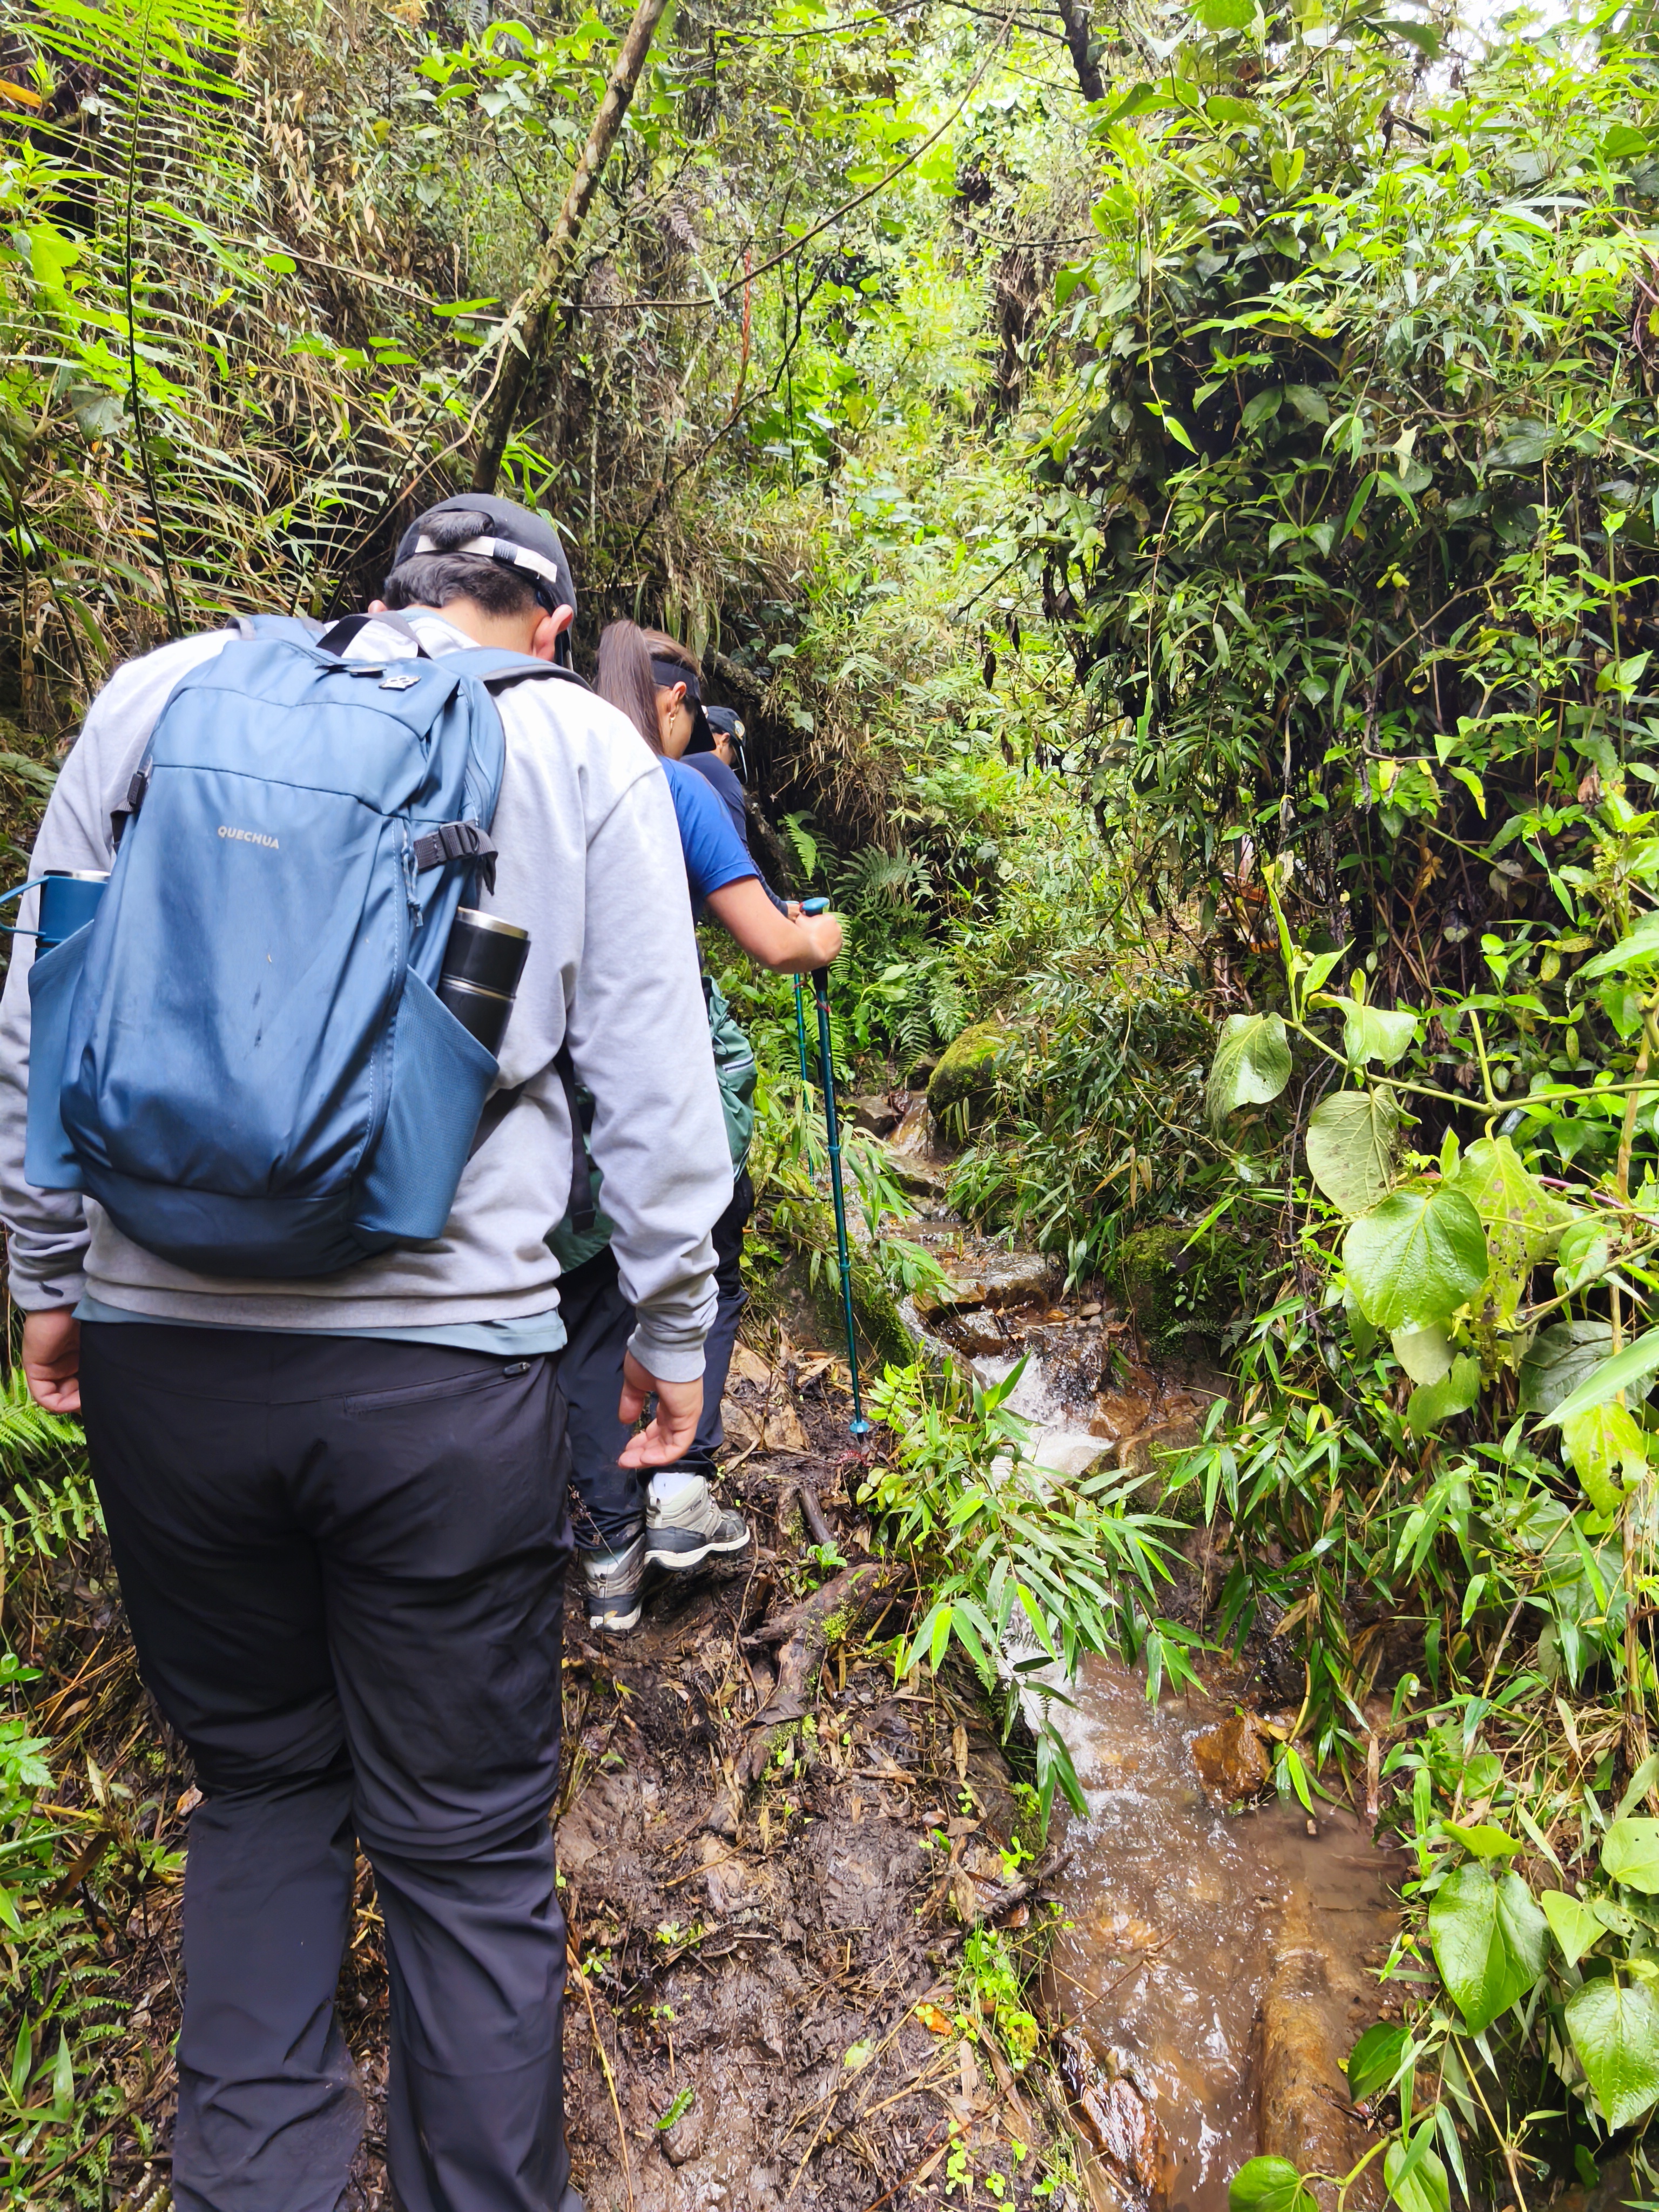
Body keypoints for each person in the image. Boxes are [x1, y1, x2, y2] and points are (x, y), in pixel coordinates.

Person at [0, 497, 734, 2212]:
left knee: (259, 1789)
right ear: (548, 626)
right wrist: (674, 1335)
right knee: (466, 1851)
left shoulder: (162, 696)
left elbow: (42, 1004)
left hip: (165, 1364)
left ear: (392, 592)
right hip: (441, 1380)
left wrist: (47, 1276)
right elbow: (653, 1087)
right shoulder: (571, 748)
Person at [559, 621, 842, 1633]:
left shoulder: (548, 775)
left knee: (593, 1305)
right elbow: (772, 940)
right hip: (657, 1068)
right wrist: (825, 933)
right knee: (702, 1263)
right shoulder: (668, 789)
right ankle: (680, 1490)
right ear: (671, 702)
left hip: (549, 1097)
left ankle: (608, 1559)